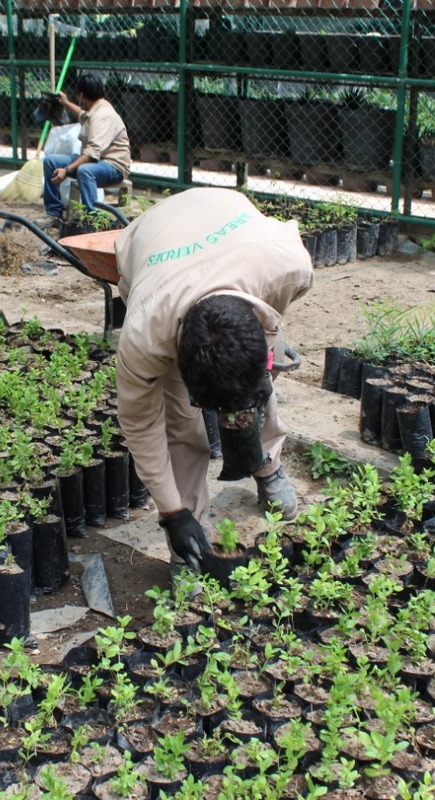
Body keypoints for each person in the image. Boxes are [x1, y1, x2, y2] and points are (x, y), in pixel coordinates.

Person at [113, 187, 313, 575]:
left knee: (256, 389)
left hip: (233, 222)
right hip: (154, 237)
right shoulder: (145, 332)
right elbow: (140, 423)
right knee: (181, 422)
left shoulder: (288, 266)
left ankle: (267, 465)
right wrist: (172, 514)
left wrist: (263, 363)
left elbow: (265, 344)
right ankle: (190, 531)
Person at [42, 74, 131, 226]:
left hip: (113, 167)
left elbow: (92, 153)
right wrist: (66, 103)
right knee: (51, 162)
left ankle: (93, 218)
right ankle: (53, 213)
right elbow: (84, 116)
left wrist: (67, 169)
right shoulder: (96, 109)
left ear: (82, 95)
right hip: (97, 162)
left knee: (85, 170)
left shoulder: (103, 115)